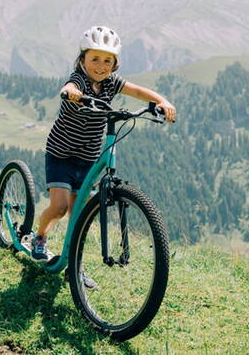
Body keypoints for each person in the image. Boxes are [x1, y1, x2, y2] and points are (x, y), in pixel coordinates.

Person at [28, 25, 177, 280]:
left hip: (88, 158)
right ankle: (39, 236)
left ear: (115, 63)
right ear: (82, 59)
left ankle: (74, 265)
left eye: (107, 60)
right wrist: (72, 93)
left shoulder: (112, 83)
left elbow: (139, 92)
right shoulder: (79, 80)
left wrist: (162, 101)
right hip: (61, 154)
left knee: (80, 214)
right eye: (94, 58)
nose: (101, 65)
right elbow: (68, 87)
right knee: (60, 207)